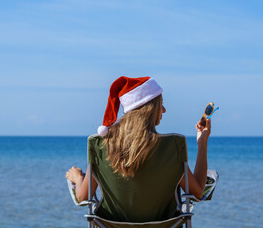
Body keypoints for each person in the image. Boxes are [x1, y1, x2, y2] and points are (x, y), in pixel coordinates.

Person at [66, 76, 211, 222]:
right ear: (150, 109)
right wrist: (202, 143)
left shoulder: (103, 145)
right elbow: (198, 192)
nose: (164, 110)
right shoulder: (170, 148)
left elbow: (82, 197)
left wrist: (78, 178)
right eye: (161, 104)